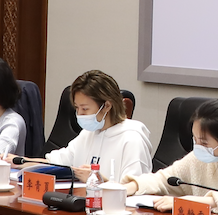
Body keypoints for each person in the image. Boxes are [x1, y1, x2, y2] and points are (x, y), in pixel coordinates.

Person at [122, 98, 218, 215]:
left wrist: (192, 202)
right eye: (194, 139)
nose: (197, 146)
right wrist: (127, 188)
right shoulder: (198, 159)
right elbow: (163, 179)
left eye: (203, 142)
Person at [19, 70, 152, 181]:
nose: (79, 114)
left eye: (85, 109)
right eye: (77, 108)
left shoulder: (132, 139)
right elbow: (56, 162)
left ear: (107, 106)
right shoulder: (88, 133)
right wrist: (23, 161)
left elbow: (135, 190)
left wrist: (100, 180)